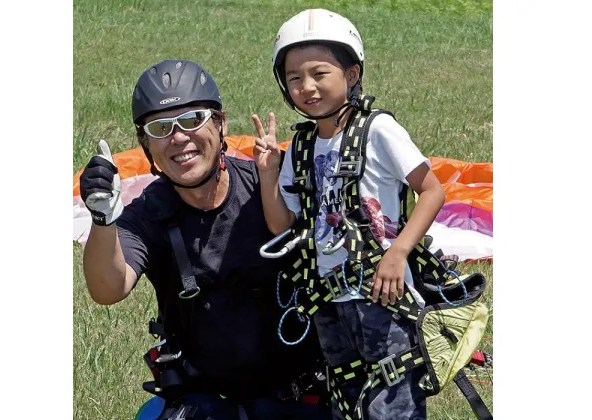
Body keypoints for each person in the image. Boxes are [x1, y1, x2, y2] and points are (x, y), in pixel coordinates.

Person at [79, 59, 331, 420]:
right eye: (161, 127)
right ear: (145, 143)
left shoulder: (270, 189)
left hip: (299, 397)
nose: (179, 137)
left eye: (193, 120)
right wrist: (103, 219)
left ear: (221, 124)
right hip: (207, 401)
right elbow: (107, 288)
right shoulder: (148, 215)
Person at [251, 9, 447, 420]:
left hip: (383, 295)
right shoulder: (302, 147)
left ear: (352, 74)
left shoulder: (378, 130)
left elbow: (432, 190)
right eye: (294, 78)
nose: (307, 87)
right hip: (329, 301)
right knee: (347, 403)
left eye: (320, 73)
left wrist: (397, 254)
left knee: (394, 402)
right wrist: (268, 173)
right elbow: (280, 225)